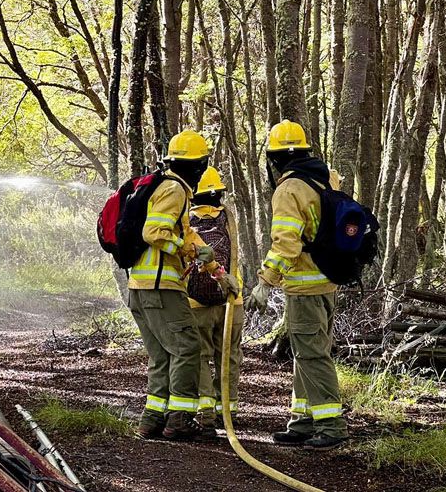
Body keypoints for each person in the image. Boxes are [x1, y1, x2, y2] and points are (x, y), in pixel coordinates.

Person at [246, 119, 348, 451]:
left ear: (275, 158)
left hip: (305, 285)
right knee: (305, 353)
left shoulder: (289, 189)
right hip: (328, 280)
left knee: (312, 355)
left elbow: (286, 244)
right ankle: (302, 421)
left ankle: (331, 425)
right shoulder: (326, 177)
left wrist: (264, 282)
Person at [128, 130, 220, 440]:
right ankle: (179, 418)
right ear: (197, 166)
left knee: (163, 354)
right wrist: (187, 250)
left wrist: (216, 269)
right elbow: (155, 233)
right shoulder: (174, 189)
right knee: (188, 347)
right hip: (161, 286)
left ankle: (152, 418)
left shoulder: (164, 186)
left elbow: (185, 235)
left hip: (140, 287)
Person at [186, 167, 244, 434]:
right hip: (231, 298)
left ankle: (205, 412)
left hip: (194, 302)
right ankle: (227, 410)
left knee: (200, 356)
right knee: (228, 355)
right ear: (217, 193)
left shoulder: (186, 221)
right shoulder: (229, 218)